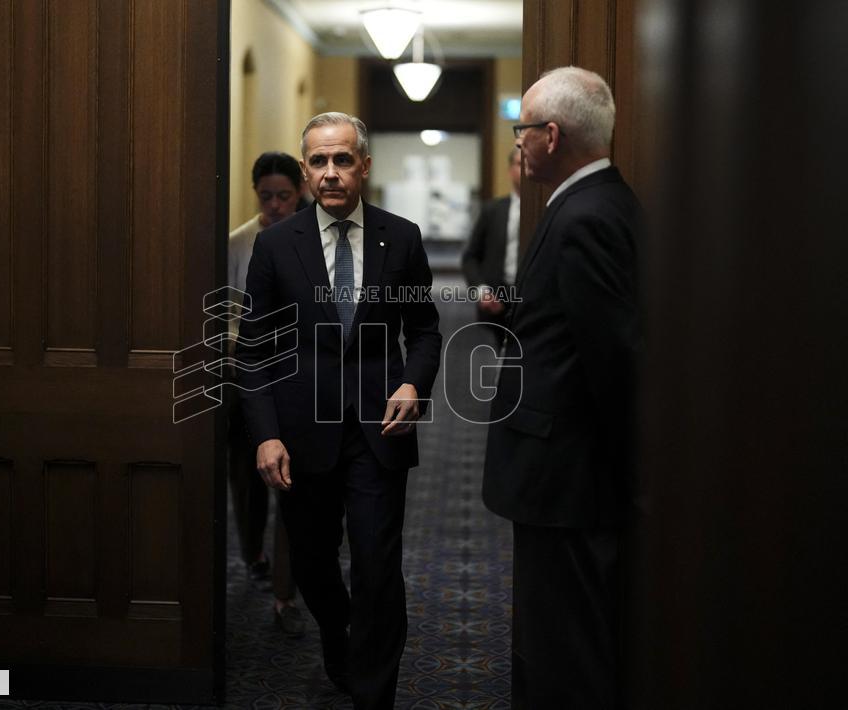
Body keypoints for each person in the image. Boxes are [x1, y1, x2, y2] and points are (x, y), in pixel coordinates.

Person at [236, 112, 441, 709]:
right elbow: (253, 350)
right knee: (315, 566)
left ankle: (373, 693)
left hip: (381, 427)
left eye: (342, 160)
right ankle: (335, 630)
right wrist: (265, 436)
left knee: (378, 567)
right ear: (305, 171)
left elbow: (425, 331)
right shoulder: (277, 245)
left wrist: (414, 384)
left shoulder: (399, 238)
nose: (331, 173)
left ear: (364, 166)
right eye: (319, 162)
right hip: (302, 434)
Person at [481, 67, 642, 709]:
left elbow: (616, 356)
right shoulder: (590, 201)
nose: (517, 143)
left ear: (551, 135)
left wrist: (635, 473)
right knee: (555, 633)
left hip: (568, 472)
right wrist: (517, 311)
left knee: (564, 643)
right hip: (564, 468)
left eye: (522, 130)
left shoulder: (586, 215)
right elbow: (574, 319)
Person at [227, 151, 307, 638]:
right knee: (246, 471)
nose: (275, 205)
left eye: (284, 196)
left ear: (299, 192)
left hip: (297, 371)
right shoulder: (239, 241)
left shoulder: (312, 238)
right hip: (247, 366)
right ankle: (252, 550)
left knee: (293, 480)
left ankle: (286, 585)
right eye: (266, 197)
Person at [461, 141, 523, 342]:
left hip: (534, 298)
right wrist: (482, 290)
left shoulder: (547, 210)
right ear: (509, 169)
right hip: (500, 297)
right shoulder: (493, 210)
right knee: (505, 359)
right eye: (518, 163)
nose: (523, 169)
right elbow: (471, 256)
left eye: (527, 162)